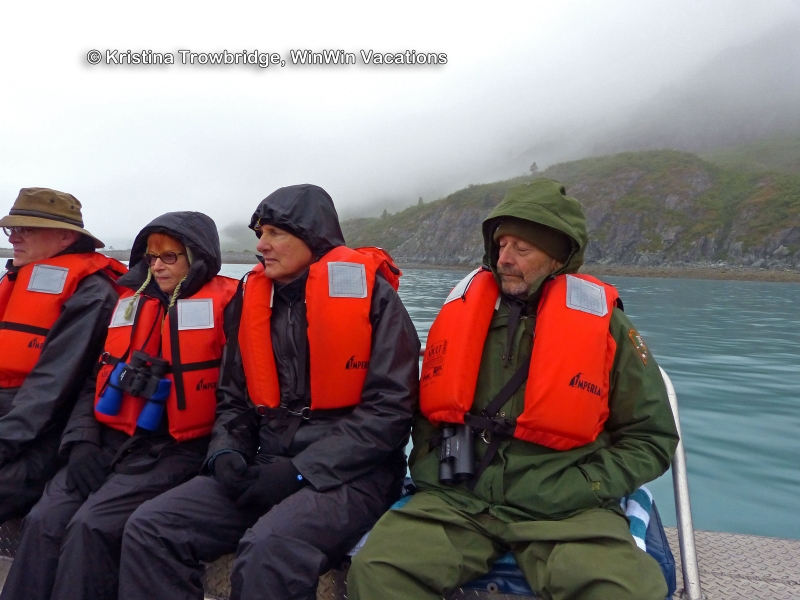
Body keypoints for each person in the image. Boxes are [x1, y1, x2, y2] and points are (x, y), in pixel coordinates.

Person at [348, 178, 680, 600]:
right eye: (501, 245)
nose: (504, 258)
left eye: (522, 249)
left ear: (558, 256)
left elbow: (651, 437)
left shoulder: (607, 329)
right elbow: (427, 409)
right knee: (378, 572)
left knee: (625, 591)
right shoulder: (464, 313)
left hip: (565, 510)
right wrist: (433, 466)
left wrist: (587, 485)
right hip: (458, 500)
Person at [118, 184, 420, 600]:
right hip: (266, 461)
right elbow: (233, 397)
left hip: (354, 474)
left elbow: (391, 410)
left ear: (313, 237)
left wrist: (301, 470)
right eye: (260, 234)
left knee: (269, 551)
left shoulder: (375, 298)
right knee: (151, 527)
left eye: (276, 233)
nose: (261, 246)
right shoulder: (250, 300)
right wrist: (226, 452)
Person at [0, 211, 238, 600]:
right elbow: (95, 380)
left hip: (172, 450)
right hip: (107, 440)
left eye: (169, 257)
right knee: (44, 518)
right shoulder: (129, 302)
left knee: (90, 525)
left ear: (198, 258)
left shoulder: (229, 307)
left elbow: (236, 397)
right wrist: (81, 441)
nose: (157, 266)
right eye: (151, 256)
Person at [0, 187, 125, 523]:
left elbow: (49, 391)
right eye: (12, 229)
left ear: (66, 237)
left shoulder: (92, 293)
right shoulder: (20, 276)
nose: (13, 238)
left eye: (26, 229)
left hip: (45, 434)